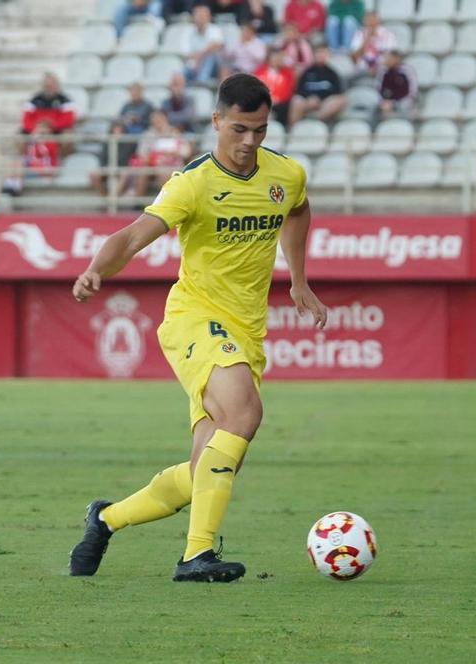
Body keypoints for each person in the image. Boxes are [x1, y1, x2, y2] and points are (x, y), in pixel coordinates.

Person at [68, 73, 327, 583]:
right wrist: (98, 267)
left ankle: (105, 519)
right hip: (194, 318)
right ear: (215, 122)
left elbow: (297, 212)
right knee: (245, 413)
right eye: (238, 129)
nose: (249, 142)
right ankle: (195, 556)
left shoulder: (286, 175)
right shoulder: (193, 183)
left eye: (259, 130)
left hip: (246, 332)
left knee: (204, 470)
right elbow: (133, 234)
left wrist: (298, 280)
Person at [131, 109, 191, 197]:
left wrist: (174, 153)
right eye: (154, 119)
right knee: (145, 171)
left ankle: (169, 202)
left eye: (159, 118)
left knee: (167, 172)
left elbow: (186, 151)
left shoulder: (175, 132)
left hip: (174, 164)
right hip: (154, 165)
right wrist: (152, 157)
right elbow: (141, 153)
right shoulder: (148, 134)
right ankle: (137, 203)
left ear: (165, 119)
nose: (156, 121)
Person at [288, 44, 345, 127]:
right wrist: (309, 99)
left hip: (325, 103)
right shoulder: (307, 72)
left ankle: (316, 121)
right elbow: (299, 90)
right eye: (318, 53)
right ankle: (293, 131)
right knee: (296, 100)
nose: (321, 56)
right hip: (307, 101)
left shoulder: (332, 73)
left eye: (323, 53)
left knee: (340, 100)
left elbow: (337, 92)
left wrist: (320, 99)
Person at [181, 4, 223, 84]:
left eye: (203, 16)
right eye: (199, 15)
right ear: (193, 17)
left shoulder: (215, 29)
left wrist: (199, 58)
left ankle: (201, 83)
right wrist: (198, 58)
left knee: (211, 56)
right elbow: (185, 53)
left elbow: (217, 46)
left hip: (213, 67)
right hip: (193, 66)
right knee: (180, 72)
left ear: (209, 17)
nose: (201, 18)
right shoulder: (188, 31)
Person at [254, 47, 296, 126]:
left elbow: (288, 92)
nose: (279, 59)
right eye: (277, 56)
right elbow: (255, 89)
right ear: (270, 58)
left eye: (281, 57)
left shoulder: (288, 73)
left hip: (281, 104)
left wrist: (276, 99)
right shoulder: (260, 72)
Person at [350, 9, 395, 75]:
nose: (371, 23)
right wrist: (366, 41)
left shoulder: (388, 34)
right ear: (364, 21)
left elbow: (391, 56)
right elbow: (354, 56)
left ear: (378, 21)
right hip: (362, 71)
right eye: (369, 20)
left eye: (374, 20)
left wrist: (376, 67)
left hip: (383, 70)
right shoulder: (359, 34)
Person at [377, 48, 418, 120]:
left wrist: (394, 103)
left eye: (389, 58)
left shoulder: (407, 71)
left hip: (403, 101)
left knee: (404, 107)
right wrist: (383, 101)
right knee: (376, 108)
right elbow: (378, 89)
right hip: (386, 102)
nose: (385, 60)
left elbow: (412, 92)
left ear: (396, 59)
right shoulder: (383, 71)